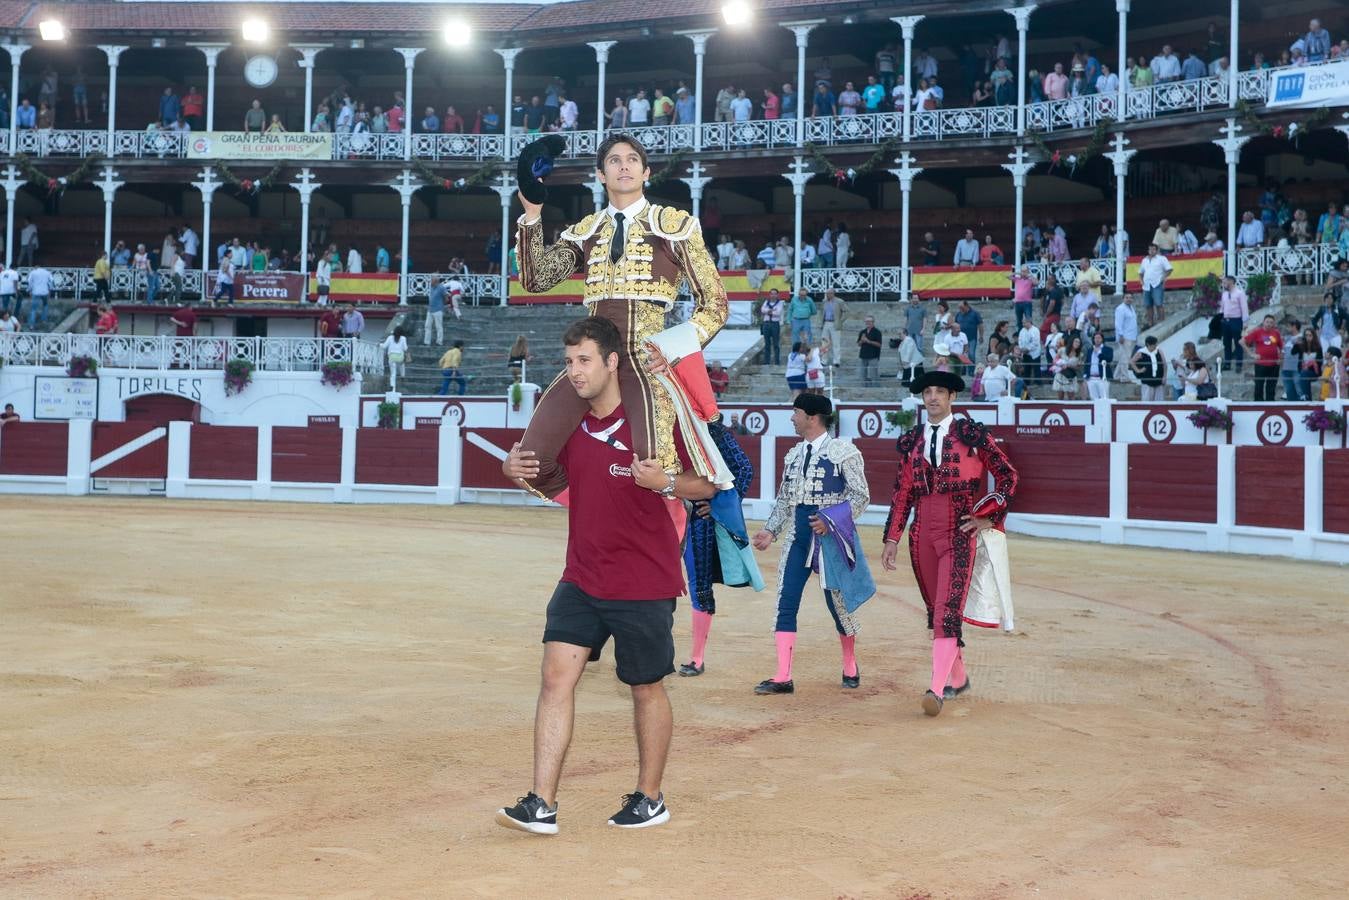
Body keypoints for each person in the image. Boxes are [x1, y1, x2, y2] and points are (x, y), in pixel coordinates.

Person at [495, 317, 717, 835]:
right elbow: (545, 475)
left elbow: (707, 486)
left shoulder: (656, 420)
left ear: (613, 362)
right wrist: (515, 471)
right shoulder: (569, 427)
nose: (573, 372)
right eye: (568, 362)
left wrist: (665, 483)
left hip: (644, 580)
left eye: (584, 360)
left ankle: (650, 797)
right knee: (555, 679)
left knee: (645, 687)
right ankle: (540, 803)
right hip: (582, 575)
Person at [514, 134, 730, 499]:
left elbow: (715, 303)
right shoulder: (586, 231)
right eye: (614, 160)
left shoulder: (673, 225)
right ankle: (597, 509)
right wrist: (533, 213)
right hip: (592, 358)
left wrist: (674, 349)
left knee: (655, 469)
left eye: (632, 159)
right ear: (601, 174)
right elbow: (537, 279)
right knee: (531, 460)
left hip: (646, 359)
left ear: (646, 172)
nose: (624, 165)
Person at [882, 370, 1018, 717]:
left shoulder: (970, 434)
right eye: (927, 392)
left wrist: (990, 515)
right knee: (937, 611)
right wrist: (893, 537)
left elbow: (1008, 475)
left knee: (946, 611)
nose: (932, 397)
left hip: (959, 530)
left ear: (952, 397)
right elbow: (902, 492)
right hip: (921, 532)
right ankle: (958, 677)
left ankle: (936, 688)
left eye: (939, 392)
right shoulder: (913, 439)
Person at [751, 394, 873, 695]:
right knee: (786, 600)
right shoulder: (793, 455)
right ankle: (783, 676)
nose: (792, 418)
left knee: (838, 605)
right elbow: (784, 500)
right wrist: (770, 530)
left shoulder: (844, 452)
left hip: (831, 537)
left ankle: (849, 664)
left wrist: (830, 520)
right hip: (798, 535)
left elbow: (861, 497)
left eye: (796, 413)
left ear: (812, 417)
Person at [679, 415, 761, 677]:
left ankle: (696, 658)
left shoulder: (708, 429)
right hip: (662, 516)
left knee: (698, 585)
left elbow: (743, 469)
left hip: (696, 519)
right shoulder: (655, 424)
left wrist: (718, 505)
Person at [1243, 314, 1283, 402]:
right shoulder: (1257, 332)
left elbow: (1281, 347)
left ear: (1273, 324)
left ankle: (1270, 405)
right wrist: (1251, 354)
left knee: (1271, 387)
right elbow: (1242, 341)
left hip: (1274, 365)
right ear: (1263, 322)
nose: (1269, 324)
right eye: (1267, 322)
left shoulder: (1276, 333)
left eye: (1271, 322)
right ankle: (1258, 406)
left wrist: (1280, 358)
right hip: (1260, 364)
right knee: (1259, 387)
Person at [1138, 243, 1173, 328]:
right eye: (1150, 249)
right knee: (1148, 305)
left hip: (1157, 284)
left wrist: (1163, 278)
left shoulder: (1162, 259)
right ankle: (1150, 322)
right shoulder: (1144, 260)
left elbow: (1169, 269)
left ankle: (1161, 322)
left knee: (1158, 304)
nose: (1151, 251)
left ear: (1157, 250)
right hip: (1146, 285)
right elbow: (1140, 272)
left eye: (1153, 249)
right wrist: (1141, 281)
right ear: (1148, 250)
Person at [1131, 335, 1167, 401]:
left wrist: (1164, 376)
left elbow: (1164, 364)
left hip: (1158, 379)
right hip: (1147, 381)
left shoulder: (1159, 351)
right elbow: (1132, 362)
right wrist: (1138, 370)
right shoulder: (1141, 352)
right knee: (1147, 401)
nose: (1156, 346)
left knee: (1159, 401)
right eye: (1154, 344)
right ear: (1148, 344)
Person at [1113, 293, 1139, 383]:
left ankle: (1116, 376)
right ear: (1123, 298)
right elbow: (1118, 323)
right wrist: (1120, 335)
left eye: (1131, 298)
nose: (1129, 299)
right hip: (1124, 336)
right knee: (1125, 358)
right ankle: (1124, 377)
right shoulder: (1120, 309)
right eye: (1127, 297)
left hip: (1132, 336)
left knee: (1124, 357)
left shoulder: (1131, 308)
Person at [817, 289, 846, 367]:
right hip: (826, 322)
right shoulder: (824, 301)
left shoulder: (839, 301)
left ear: (833, 294)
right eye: (827, 293)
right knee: (824, 342)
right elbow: (821, 312)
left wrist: (840, 321)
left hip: (835, 323)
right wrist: (821, 322)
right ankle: (824, 360)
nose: (827, 295)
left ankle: (836, 361)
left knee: (836, 343)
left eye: (829, 293)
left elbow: (846, 311)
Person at [759, 288, 784, 366]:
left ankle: (777, 362)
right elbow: (762, 310)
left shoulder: (780, 303)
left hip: (775, 324)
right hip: (766, 324)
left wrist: (768, 311)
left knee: (776, 344)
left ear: (777, 295)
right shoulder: (766, 302)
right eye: (772, 294)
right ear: (769, 295)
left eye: (775, 294)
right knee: (767, 344)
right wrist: (771, 311)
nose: (773, 295)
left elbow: (778, 312)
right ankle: (767, 362)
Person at [1085, 332, 1113, 399]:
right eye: (1095, 338)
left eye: (1099, 338)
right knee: (1093, 398)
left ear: (1102, 339)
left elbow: (1109, 359)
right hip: (1091, 378)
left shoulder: (1108, 349)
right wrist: (1085, 374)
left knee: (1104, 397)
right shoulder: (1090, 350)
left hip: (1102, 378)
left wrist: (1098, 353)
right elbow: (1087, 363)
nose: (1097, 339)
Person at [857, 314, 882, 385]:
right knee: (862, 374)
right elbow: (859, 344)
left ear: (873, 322)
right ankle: (863, 388)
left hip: (873, 356)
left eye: (869, 321)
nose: (867, 323)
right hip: (863, 355)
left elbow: (879, 344)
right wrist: (861, 340)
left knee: (874, 374)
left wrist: (868, 341)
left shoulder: (877, 332)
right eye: (866, 321)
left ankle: (875, 388)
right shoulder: (862, 332)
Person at [25, 264, 51, 330]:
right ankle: (44, 320)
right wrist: (50, 290)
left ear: (35, 267)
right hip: (45, 292)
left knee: (33, 309)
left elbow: (29, 282)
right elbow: (51, 281)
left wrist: (29, 290)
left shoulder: (33, 272)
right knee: (45, 305)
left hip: (36, 292)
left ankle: (31, 325)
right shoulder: (47, 272)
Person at [425, 278, 448, 345]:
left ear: (435, 281)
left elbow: (446, 298)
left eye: (431, 280)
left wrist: (441, 305)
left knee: (438, 326)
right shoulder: (431, 287)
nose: (430, 282)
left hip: (438, 310)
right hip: (430, 310)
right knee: (427, 326)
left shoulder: (441, 288)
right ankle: (427, 342)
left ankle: (439, 341)